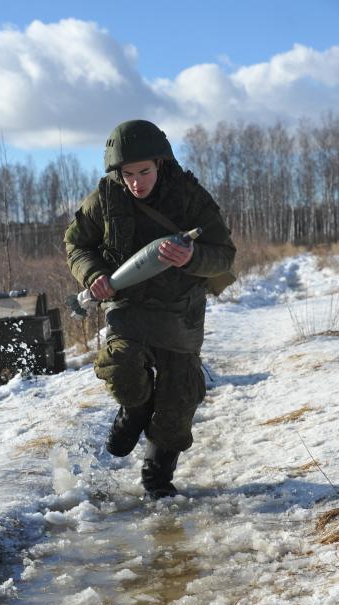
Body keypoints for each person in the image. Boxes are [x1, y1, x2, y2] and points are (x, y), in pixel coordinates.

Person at [64, 120, 236, 499]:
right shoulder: (104, 199)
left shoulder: (190, 195)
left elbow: (224, 255)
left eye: (144, 172)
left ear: (160, 163)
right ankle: (134, 411)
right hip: (130, 309)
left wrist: (192, 256)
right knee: (121, 364)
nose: (137, 182)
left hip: (180, 313)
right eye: (128, 174)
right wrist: (93, 274)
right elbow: (77, 246)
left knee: (179, 400)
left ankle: (157, 479)